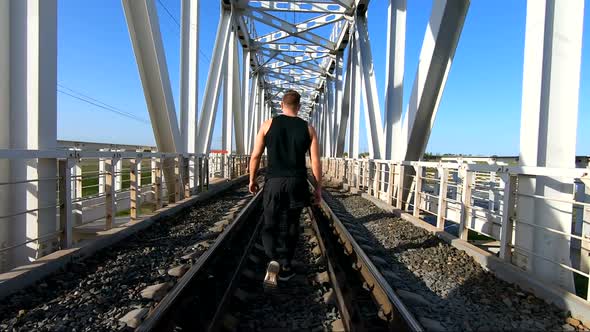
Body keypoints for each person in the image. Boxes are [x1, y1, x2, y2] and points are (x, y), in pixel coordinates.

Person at [248, 89, 322, 288]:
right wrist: (317, 188)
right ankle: (287, 266)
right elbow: (315, 161)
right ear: (299, 107)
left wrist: (252, 179)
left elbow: (255, 156)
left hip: (273, 181)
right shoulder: (308, 128)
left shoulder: (268, 124)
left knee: (269, 222)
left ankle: (272, 258)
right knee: (292, 224)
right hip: (297, 182)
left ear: (282, 105)